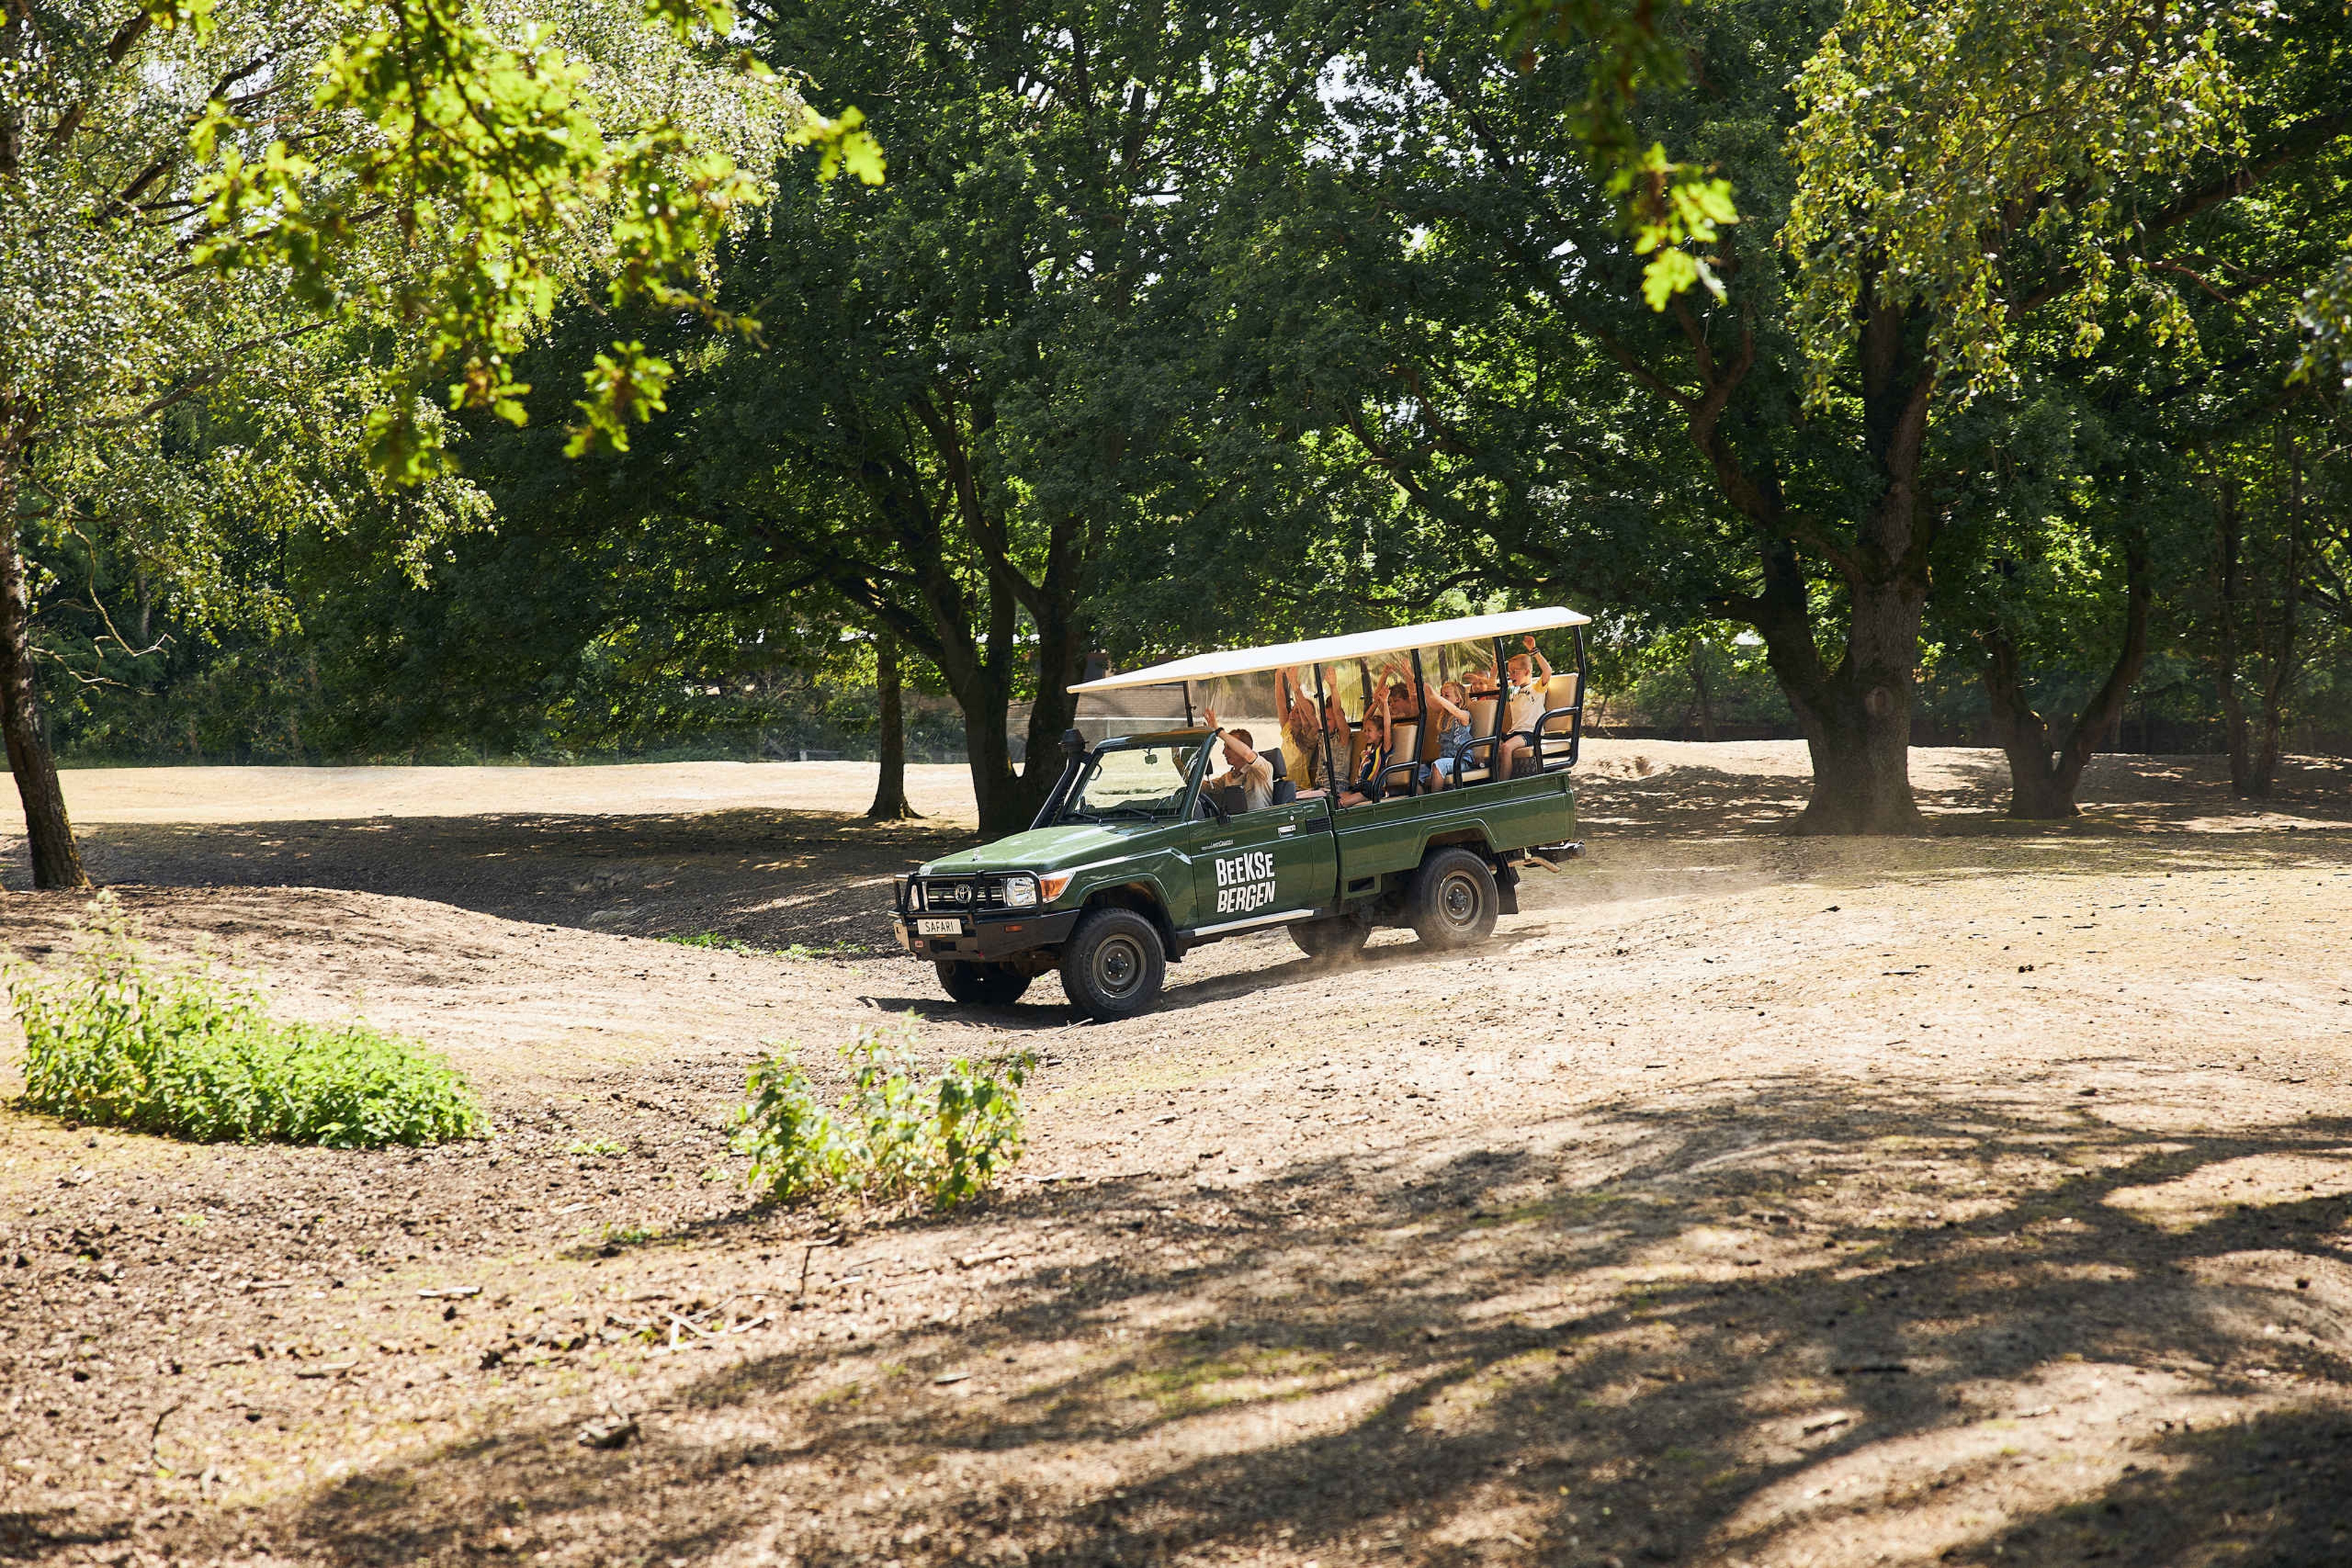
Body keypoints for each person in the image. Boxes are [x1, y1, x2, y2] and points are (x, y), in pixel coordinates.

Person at [1199, 707, 1274, 813]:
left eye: (1229, 747)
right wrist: (1180, 761)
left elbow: (1247, 754)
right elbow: (1203, 788)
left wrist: (1219, 731)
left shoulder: (1262, 771)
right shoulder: (1228, 778)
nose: (1224, 752)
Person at [1337, 707, 1393, 808]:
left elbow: (1387, 725)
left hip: (1373, 789)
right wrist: (1375, 703)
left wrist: (1385, 703)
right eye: (1365, 730)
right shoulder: (1369, 747)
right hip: (1360, 786)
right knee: (1335, 799)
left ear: (1381, 733)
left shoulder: (1383, 750)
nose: (1366, 733)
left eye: (1369, 731)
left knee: (1342, 803)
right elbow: (1365, 719)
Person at [1423, 679, 1474, 789]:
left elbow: (1455, 711)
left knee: (1439, 765)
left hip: (1461, 761)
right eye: (1442, 695)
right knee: (1418, 772)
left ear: (1458, 699)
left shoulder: (1464, 716)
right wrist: (1414, 678)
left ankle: (1436, 802)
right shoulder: (1444, 716)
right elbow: (1430, 700)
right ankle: (1425, 803)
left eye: (1446, 696)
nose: (1442, 698)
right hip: (1446, 758)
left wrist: (1437, 697)